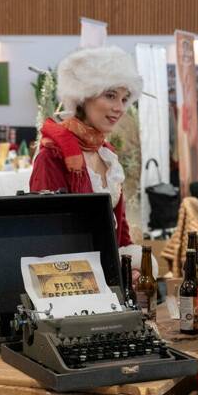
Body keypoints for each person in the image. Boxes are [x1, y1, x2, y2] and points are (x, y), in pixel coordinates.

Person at [29, 46, 143, 248]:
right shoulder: (53, 155)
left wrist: (131, 263)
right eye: (110, 95)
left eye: (124, 99)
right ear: (82, 96)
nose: (119, 108)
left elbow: (120, 228)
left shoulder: (107, 153)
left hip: (108, 269)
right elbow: (48, 236)